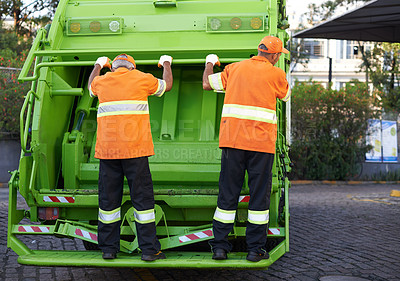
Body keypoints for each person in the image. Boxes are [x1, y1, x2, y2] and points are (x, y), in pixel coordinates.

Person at [202, 36, 290, 262]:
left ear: (259, 50)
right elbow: (286, 95)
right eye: (279, 55)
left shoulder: (234, 69)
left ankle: (220, 248)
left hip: (233, 143)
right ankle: (254, 250)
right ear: (275, 55)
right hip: (261, 146)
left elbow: (206, 83)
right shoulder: (276, 74)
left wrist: (210, 62)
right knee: (258, 198)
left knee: (228, 195)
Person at [87, 53, 173, 261]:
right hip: (136, 152)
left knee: (108, 202)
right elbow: (167, 85)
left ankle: (108, 249)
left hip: (108, 153)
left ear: (113, 68)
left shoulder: (102, 81)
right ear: (132, 68)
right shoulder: (141, 78)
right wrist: (166, 63)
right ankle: (150, 250)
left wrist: (98, 65)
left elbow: (90, 86)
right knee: (143, 201)